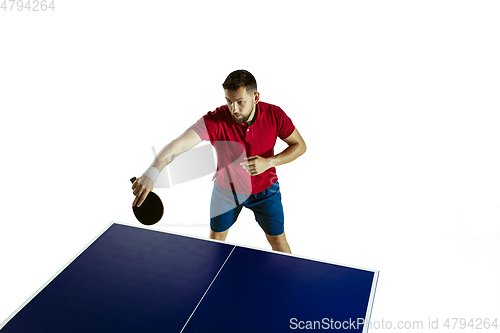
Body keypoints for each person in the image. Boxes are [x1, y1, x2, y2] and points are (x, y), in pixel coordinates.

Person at [132, 70, 306, 253]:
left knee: (279, 243)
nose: (234, 108)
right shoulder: (215, 120)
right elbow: (178, 145)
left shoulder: (275, 114)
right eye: (229, 101)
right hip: (226, 192)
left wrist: (269, 162)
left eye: (240, 102)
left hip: (265, 191)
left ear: (255, 97)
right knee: (216, 244)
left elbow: (299, 146)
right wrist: (152, 172)